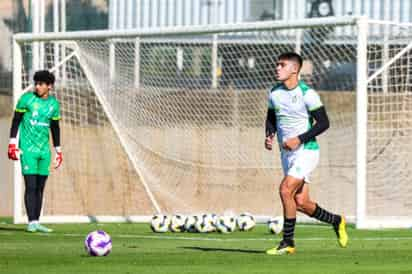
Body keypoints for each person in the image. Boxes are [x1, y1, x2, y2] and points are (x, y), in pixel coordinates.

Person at [264, 52, 348, 255]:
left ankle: (288, 242)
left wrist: (298, 139)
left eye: (282, 65)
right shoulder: (275, 92)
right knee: (301, 202)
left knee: (285, 190)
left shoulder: (307, 94)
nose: (277, 68)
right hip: (287, 154)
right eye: (277, 65)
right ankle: (337, 221)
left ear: (294, 69)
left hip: (307, 151)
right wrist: (269, 134)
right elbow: (271, 117)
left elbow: (324, 123)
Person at [8, 70, 62, 233]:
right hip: (28, 150)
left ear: (49, 86)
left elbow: (55, 127)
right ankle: (31, 222)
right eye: (36, 83)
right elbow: (16, 121)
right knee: (30, 186)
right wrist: (12, 144)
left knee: (40, 188)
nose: (37, 87)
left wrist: (58, 151)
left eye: (41, 84)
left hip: (44, 152)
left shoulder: (54, 105)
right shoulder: (26, 99)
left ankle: (37, 221)